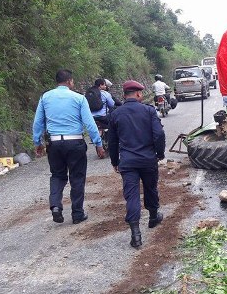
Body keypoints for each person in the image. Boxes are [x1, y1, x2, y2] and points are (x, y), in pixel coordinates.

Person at [32, 69, 106, 225]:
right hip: (75, 142)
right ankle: (77, 213)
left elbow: (38, 122)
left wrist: (37, 142)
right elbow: (90, 123)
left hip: (55, 143)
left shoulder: (45, 97)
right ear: (69, 81)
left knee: (57, 175)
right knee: (77, 177)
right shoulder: (78, 98)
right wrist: (98, 144)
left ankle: (56, 207)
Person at [108, 80, 166, 248]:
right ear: (139, 94)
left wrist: (115, 161)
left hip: (127, 162)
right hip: (148, 159)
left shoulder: (116, 114)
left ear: (124, 95)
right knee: (150, 188)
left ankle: (136, 234)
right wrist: (159, 153)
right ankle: (154, 217)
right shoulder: (148, 111)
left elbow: (112, 142)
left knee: (131, 195)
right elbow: (159, 134)